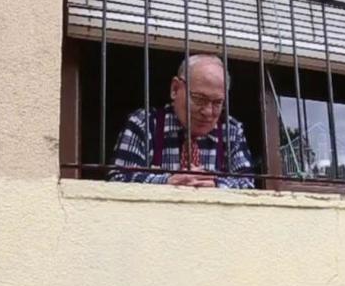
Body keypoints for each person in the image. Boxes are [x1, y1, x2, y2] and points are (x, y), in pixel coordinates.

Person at [107, 54, 254, 189]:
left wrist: (216, 184)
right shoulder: (144, 124)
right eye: (199, 99)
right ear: (175, 89)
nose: (208, 112)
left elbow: (248, 185)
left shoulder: (231, 131)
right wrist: (168, 182)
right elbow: (118, 180)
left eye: (217, 103)